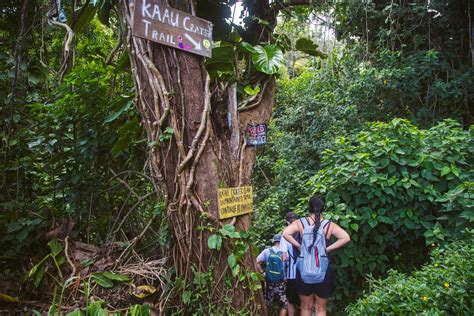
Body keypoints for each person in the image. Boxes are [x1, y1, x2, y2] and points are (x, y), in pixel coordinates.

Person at [283, 195, 350, 316]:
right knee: (321, 309)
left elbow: (285, 233)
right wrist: (326, 249)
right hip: (322, 271)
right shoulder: (329, 225)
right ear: (323, 208)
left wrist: (299, 246)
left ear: (309, 209)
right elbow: (345, 238)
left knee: (306, 308)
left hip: (303, 270)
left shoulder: (300, 223)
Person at [256, 234, 288, 316]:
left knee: (267, 303)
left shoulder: (267, 251)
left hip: (269, 282)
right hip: (280, 283)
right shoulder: (285, 253)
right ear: (282, 242)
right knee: (285, 304)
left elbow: (257, 262)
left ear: (274, 241)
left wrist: (262, 272)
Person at [280, 211, 301, 316]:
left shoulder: (285, 234)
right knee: (306, 304)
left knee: (291, 302)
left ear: (287, 222)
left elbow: (284, 258)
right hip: (307, 273)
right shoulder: (305, 230)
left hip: (292, 275)